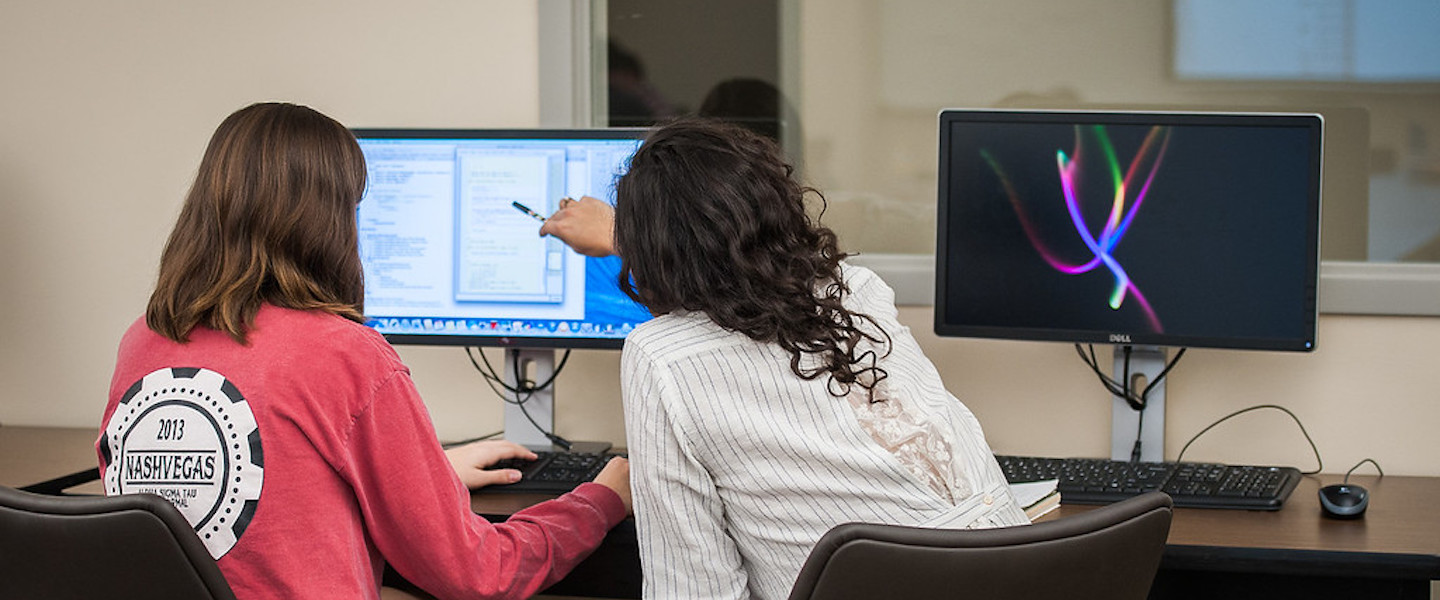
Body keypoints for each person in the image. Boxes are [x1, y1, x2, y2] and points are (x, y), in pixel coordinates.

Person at [97, 102, 631, 600]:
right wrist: (601, 498)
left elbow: (256, 492)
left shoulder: (142, 339)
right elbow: (476, 573)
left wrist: (426, 478)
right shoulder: (341, 353)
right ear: (330, 221)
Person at [542, 117, 1027, 600]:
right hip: (1022, 572)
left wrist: (636, 240)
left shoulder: (662, 356)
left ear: (650, 248)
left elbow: (691, 588)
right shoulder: (859, 292)